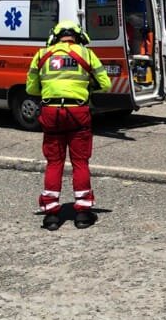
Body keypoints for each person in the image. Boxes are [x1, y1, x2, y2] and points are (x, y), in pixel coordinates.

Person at [26, 20, 111, 230]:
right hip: (78, 112)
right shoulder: (86, 54)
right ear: (78, 37)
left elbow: (31, 89)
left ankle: (51, 216)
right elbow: (106, 84)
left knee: (54, 162)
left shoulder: (41, 55)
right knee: (80, 162)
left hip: (51, 112)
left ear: (55, 37)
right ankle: (82, 213)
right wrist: (86, 88)